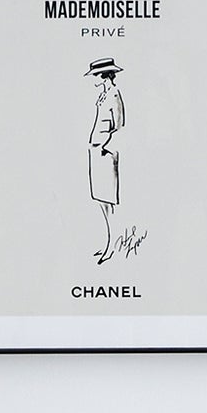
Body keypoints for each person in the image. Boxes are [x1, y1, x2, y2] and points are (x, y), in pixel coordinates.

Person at [85, 57, 125, 265]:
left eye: (94, 75)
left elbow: (118, 125)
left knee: (108, 199)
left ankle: (112, 244)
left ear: (103, 75)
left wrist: (103, 146)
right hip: (96, 150)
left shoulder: (114, 95)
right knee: (100, 198)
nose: (92, 79)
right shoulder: (103, 95)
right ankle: (109, 241)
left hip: (104, 151)